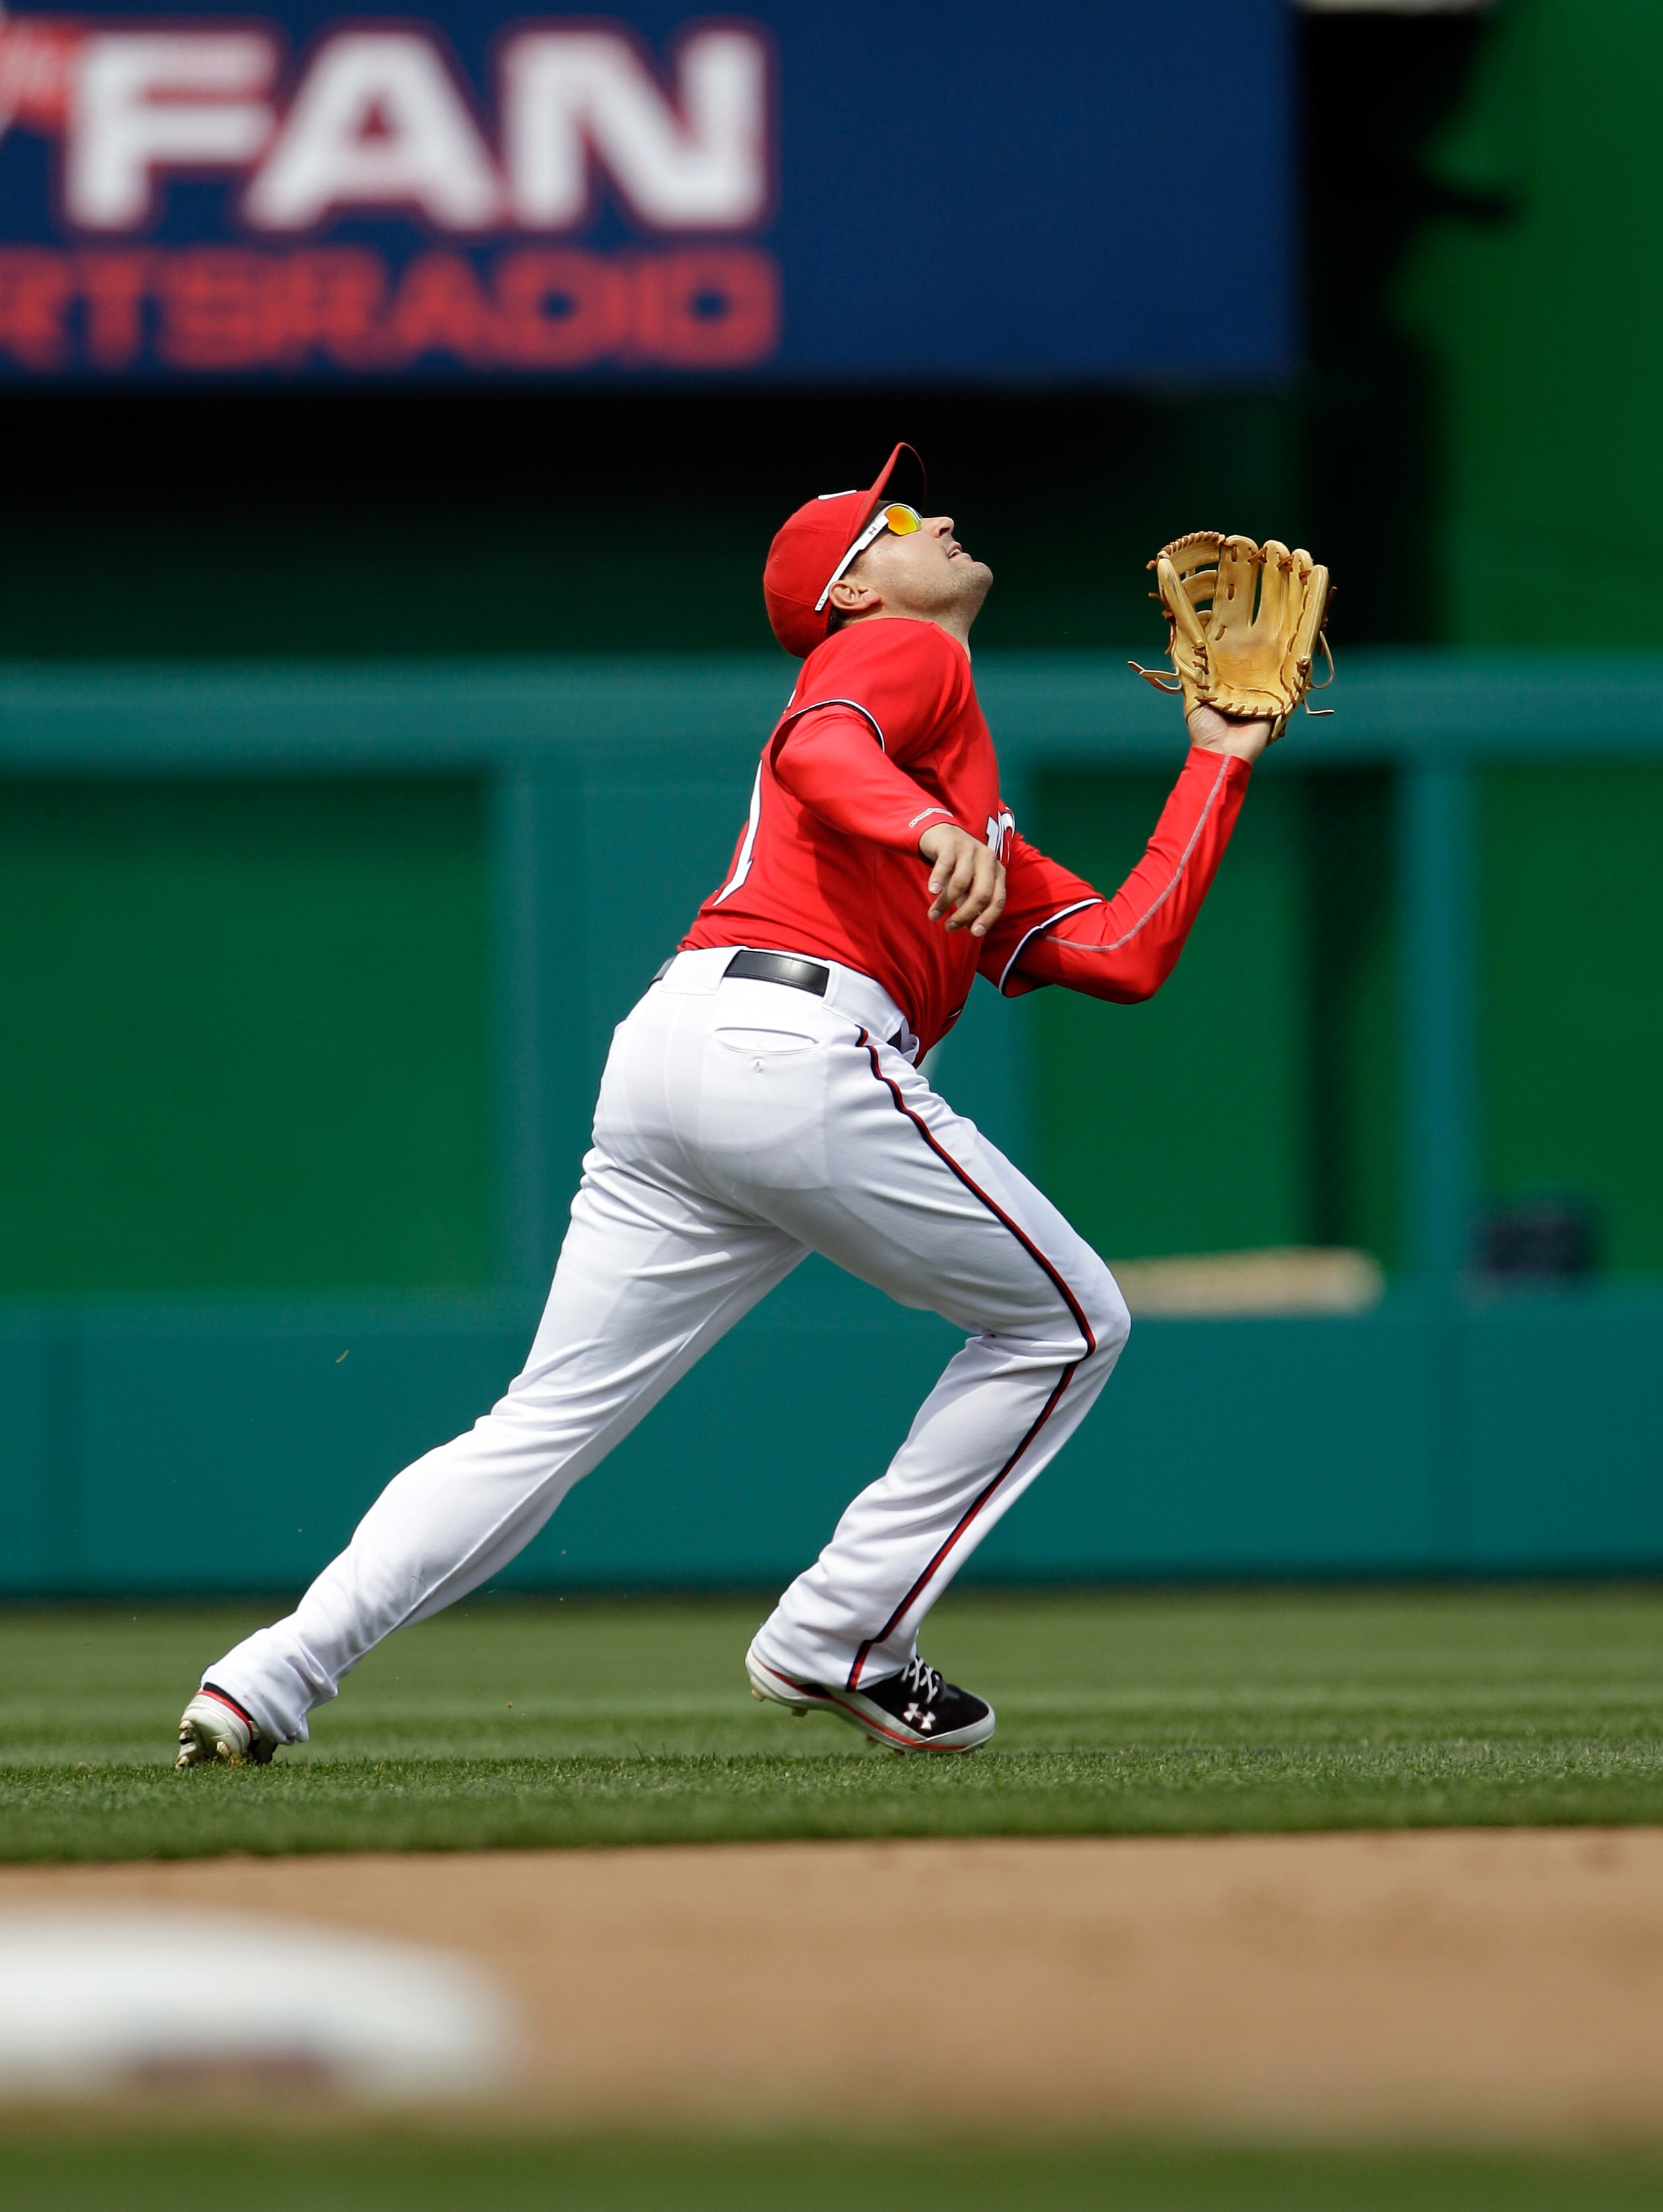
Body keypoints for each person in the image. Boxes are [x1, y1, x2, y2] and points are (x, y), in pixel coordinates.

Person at [176, 444, 1270, 1768]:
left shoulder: (965, 803)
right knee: (1069, 1320)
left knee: (540, 1421)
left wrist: (1216, 761)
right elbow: (818, 745)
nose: (942, 521)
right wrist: (922, 835)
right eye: (902, 520)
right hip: (794, 1044)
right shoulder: (909, 656)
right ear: (856, 590)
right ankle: (843, 1632)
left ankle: (267, 1675)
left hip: (676, 1053)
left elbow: (1118, 951)